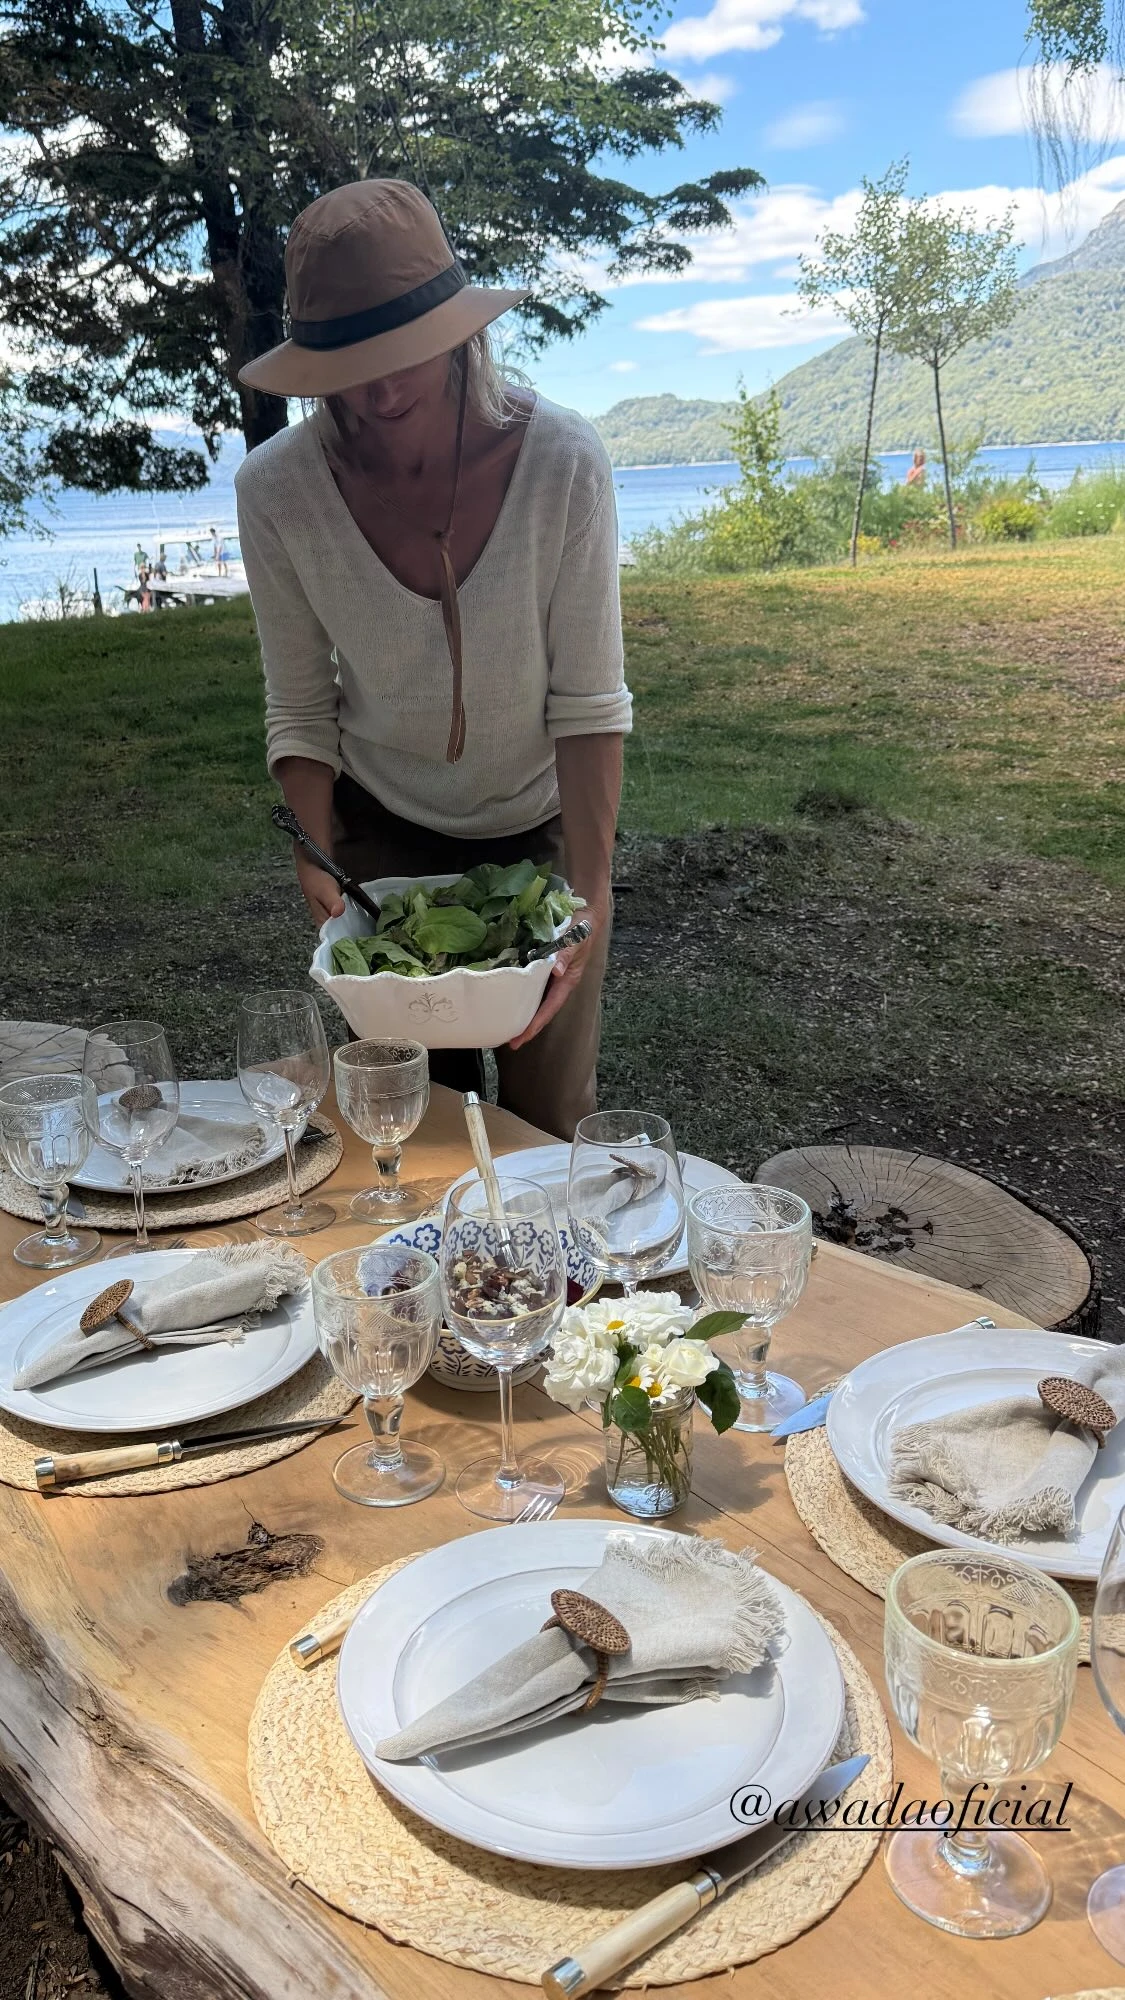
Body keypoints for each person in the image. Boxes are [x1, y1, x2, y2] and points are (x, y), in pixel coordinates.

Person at [234, 179, 630, 1139]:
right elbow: (300, 705)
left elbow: (587, 704)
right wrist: (313, 853)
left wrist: (590, 895)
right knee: (409, 1124)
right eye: (348, 367)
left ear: (460, 334)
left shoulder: (563, 461)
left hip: (540, 838)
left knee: (548, 1123)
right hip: (379, 840)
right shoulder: (275, 491)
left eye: (402, 354)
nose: (379, 392)